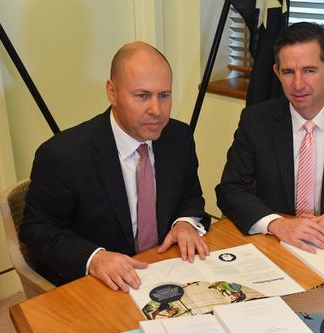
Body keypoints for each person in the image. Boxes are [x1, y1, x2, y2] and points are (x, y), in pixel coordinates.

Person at [20, 42, 210, 292]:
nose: (157, 110)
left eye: (164, 95)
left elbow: (189, 195)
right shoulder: (63, 155)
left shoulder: (179, 137)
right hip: (101, 285)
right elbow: (37, 230)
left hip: (166, 269)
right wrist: (95, 258)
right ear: (112, 92)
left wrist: (184, 222)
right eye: (142, 96)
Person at [216, 22, 324, 253]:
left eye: (309, 70)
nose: (298, 84)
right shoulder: (256, 120)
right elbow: (230, 190)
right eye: (288, 72)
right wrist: (277, 224)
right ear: (277, 73)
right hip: (275, 242)